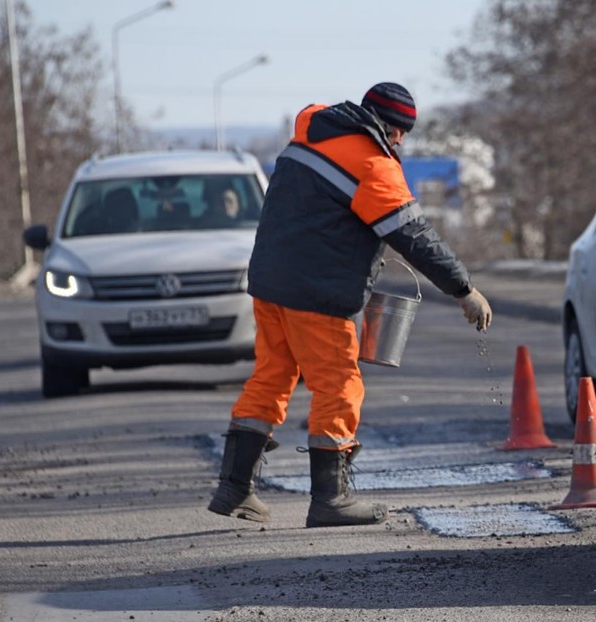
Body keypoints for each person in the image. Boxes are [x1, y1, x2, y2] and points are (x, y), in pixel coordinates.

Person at [207, 82, 493, 528]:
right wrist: (464, 288)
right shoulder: (372, 165)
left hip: (270, 282)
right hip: (317, 292)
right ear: (385, 125)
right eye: (398, 130)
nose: (400, 140)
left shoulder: (310, 129)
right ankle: (330, 499)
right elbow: (414, 236)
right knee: (338, 385)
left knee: (271, 377)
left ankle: (234, 488)